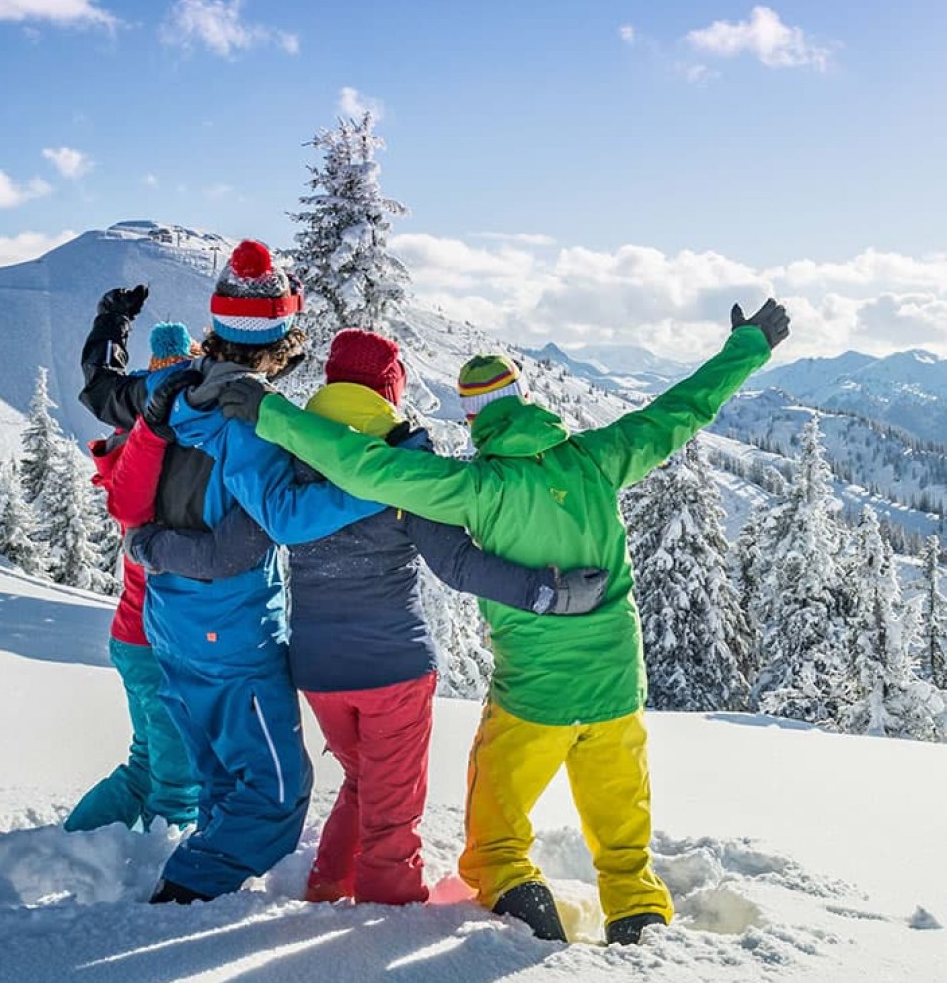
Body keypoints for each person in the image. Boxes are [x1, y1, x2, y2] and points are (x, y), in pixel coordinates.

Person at [215, 299, 791, 944]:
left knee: (494, 843)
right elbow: (684, 409)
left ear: (471, 417)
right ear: (526, 398)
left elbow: (364, 467)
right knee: (623, 837)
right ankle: (637, 915)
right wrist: (749, 346)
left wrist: (270, 411)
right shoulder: (600, 458)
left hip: (532, 698)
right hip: (617, 688)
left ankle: (523, 909)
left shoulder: (472, 488)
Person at [124, 326, 609, 906]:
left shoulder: (293, 451)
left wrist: (151, 545)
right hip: (394, 668)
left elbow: (249, 532)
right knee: (392, 815)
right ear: (389, 391)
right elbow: (457, 565)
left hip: (318, 671)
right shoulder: (404, 467)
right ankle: (390, 910)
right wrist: (545, 592)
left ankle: (327, 887)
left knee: (360, 781)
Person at [77, 239, 385, 904]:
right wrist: (381, 480)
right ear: (277, 339)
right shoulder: (250, 417)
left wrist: (111, 324)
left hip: (168, 624)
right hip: (230, 629)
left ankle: (196, 883)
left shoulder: (172, 385)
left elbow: (104, 393)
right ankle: (188, 888)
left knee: (220, 773)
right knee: (277, 789)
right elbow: (285, 515)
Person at [64, 323, 202, 834]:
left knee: (144, 770)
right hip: (156, 641)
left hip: (134, 638)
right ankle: (164, 897)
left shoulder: (130, 451)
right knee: (176, 783)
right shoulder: (160, 464)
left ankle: (69, 848)